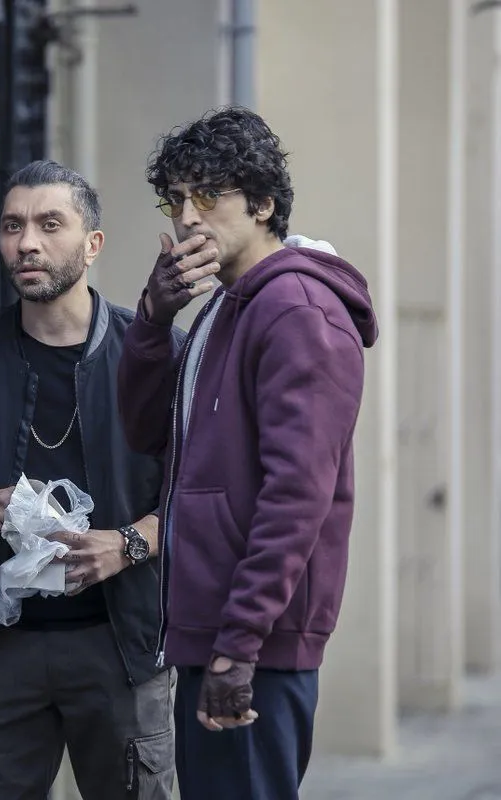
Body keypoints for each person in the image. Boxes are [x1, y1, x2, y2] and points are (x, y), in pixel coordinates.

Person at [117, 107, 378, 799]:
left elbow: (298, 495)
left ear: (262, 204)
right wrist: (153, 320)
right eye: (176, 199)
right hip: (216, 632)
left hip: (253, 643)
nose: (187, 217)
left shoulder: (296, 310)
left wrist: (239, 643)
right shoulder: (225, 306)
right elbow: (146, 436)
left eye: (207, 195)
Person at [0, 160, 176, 799]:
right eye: (12, 225)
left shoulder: (154, 354)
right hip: (0, 646)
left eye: (50, 225)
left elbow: (200, 494)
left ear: (92, 244)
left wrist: (127, 543)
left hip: (122, 644)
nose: (27, 242)